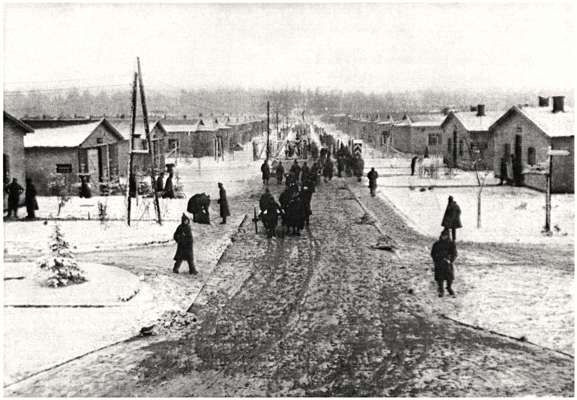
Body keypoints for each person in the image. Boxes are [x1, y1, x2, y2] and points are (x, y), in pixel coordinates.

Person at [430, 229, 457, 297]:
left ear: (448, 236)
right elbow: (433, 253)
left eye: (445, 236)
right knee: (440, 277)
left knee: (449, 277)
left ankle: (449, 287)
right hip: (439, 263)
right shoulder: (437, 244)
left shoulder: (451, 244)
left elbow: (454, 254)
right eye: (442, 235)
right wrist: (436, 260)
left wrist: (450, 260)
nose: (443, 237)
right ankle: (441, 290)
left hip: (447, 263)